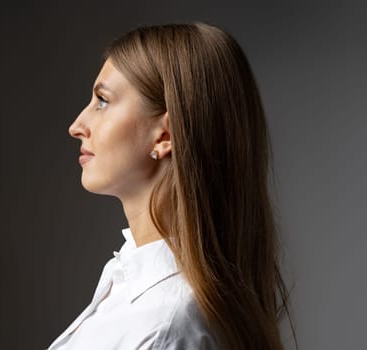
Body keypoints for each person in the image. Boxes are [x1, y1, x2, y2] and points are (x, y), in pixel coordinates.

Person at [47, 22, 295, 350]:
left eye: (102, 101)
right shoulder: (130, 288)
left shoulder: (161, 329)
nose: (77, 126)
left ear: (165, 135)